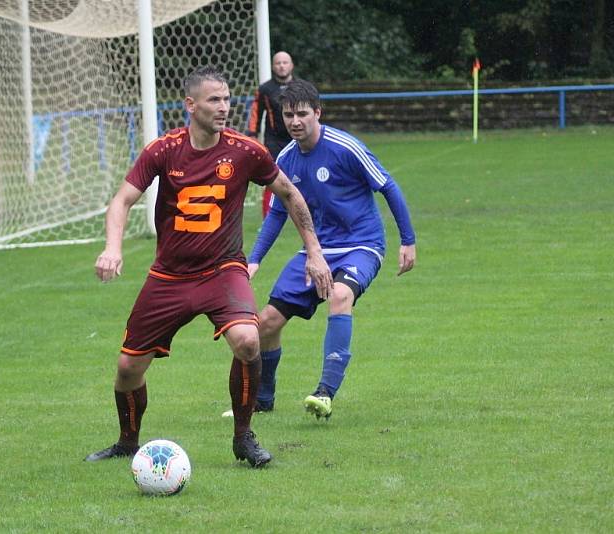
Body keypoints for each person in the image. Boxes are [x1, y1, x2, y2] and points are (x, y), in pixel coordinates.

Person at [84, 67, 333, 467]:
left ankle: (244, 437)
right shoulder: (163, 150)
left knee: (249, 342)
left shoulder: (245, 150)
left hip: (223, 271)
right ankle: (127, 442)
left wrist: (315, 252)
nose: (224, 107)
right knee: (128, 367)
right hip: (169, 276)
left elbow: (289, 193)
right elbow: (122, 200)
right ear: (190, 105)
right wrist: (113, 247)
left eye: (226, 99)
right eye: (214, 100)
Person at [247, 79, 416, 419]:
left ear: (318, 113)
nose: (295, 122)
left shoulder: (345, 147)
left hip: (362, 245)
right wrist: (254, 260)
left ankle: (325, 392)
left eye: (302, 114)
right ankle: (263, 400)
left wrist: (407, 241)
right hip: (316, 252)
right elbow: (279, 212)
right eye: (289, 115)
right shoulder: (286, 158)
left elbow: (388, 186)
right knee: (266, 322)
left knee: (340, 296)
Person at [246, 51, 301, 218]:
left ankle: (310, 214)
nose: (282, 66)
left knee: (304, 175)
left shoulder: (301, 87)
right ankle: (268, 217)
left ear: (291, 65)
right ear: (273, 66)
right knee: (272, 178)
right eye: (278, 63)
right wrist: (252, 134)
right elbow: (256, 112)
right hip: (274, 140)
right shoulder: (265, 89)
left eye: (285, 62)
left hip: (298, 138)